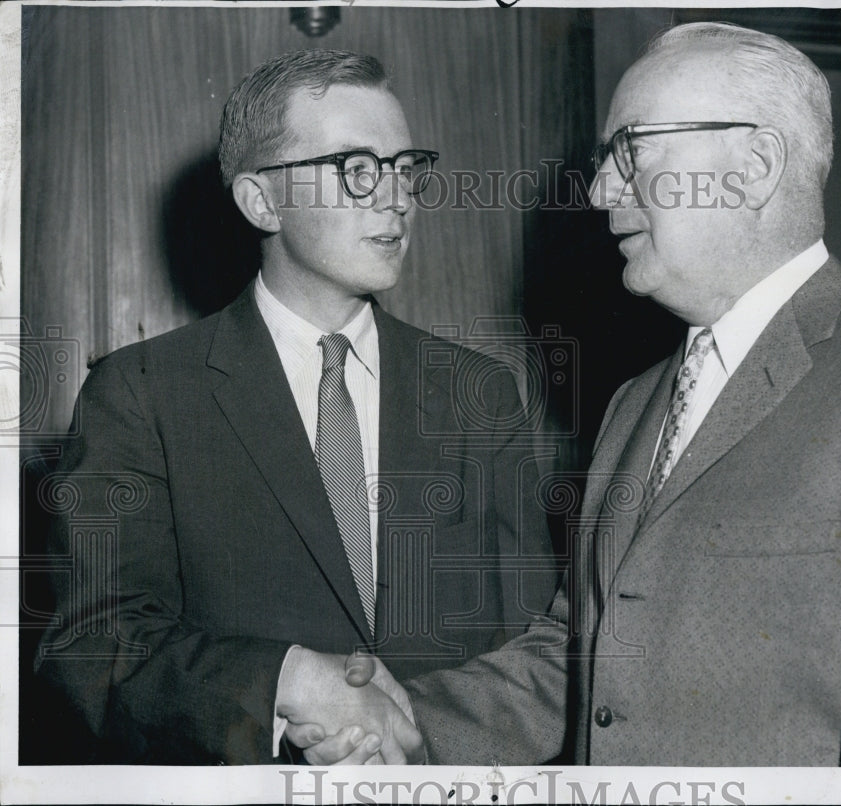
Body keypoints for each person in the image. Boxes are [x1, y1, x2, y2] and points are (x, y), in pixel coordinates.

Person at [313, 21, 841, 766]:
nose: (600, 191)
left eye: (631, 150)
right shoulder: (635, 402)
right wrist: (404, 724)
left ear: (754, 165)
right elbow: (582, 657)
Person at [34, 49, 556, 765]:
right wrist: (284, 681)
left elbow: (536, 647)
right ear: (262, 201)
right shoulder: (141, 394)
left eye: (406, 168)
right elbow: (96, 649)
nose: (396, 198)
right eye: (357, 168)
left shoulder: (480, 393)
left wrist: (420, 736)